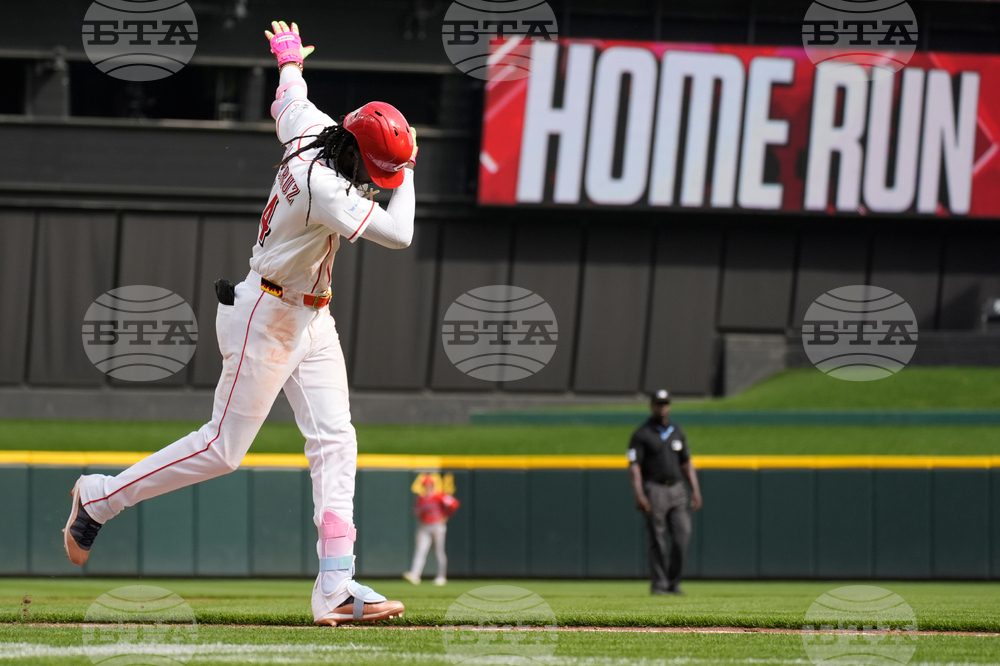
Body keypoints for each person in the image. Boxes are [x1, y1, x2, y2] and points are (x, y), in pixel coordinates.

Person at [62, 20, 417, 627]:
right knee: (223, 450)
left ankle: (335, 584)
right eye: (376, 170)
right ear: (357, 152)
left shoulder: (317, 132)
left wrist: (286, 59)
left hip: (311, 314)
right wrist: (408, 173)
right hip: (268, 314)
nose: (376, 181)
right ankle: (100, 497)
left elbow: (290, 98)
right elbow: (400, 233)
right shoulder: (324, 185)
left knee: (337, 440)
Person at [628, 389, 703, 595]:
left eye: (665, 404)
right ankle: (660, 584)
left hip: (677, 489)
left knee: (683, 535)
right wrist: (639, 494)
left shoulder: (677, 431)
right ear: (652, 406)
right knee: (658, 539)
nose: (662, 408)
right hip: (655, 488)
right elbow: (634, 466)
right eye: (658, 404)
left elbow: (686, 463)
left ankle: (673, 581)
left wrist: (695, 490)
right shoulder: (642, 433)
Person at [403, 474, 459, 586]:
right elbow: (416, 511)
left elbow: (454, 504)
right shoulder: (421, 499)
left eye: (429, 485)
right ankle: (415, 575)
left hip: (437, 525)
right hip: (424, 526)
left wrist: (445, 516)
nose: (427, 487)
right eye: (426, 485)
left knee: (439, 551)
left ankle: (441, 576)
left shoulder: (439, 496)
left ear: (432, 485)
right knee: (420, 551)